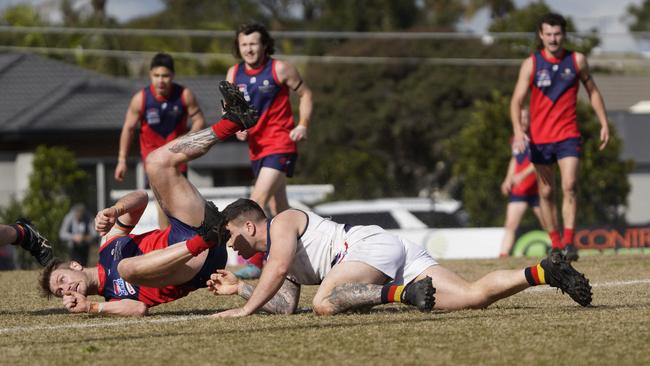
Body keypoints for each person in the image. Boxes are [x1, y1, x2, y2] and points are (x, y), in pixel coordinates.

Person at [39, 81, 257, 316]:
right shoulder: (113, 297)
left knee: (155, 161)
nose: (66, 288)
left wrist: (116, 210)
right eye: (61, 291)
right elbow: (139, 308)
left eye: (62, 280)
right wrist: (91, 307)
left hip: (188, 231)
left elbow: (141, 198)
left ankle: (233, 121)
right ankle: (206, 239)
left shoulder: (107, 245)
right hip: (195, 264)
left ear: (74, 266)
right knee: (125, 268)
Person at [206, 199, 592, 318]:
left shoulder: (283, 223)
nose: (230, 245)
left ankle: (402, 294)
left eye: (231, 235)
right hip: (389, 252)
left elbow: (276, 269)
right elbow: (286, 305)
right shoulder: (278, 256)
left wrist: (243, 313)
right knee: (474, 297)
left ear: (250, 226)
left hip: (366, 249)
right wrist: (242, 289)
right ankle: (544, 271)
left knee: (324, 303)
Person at [510, 13, 610, 262]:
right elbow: (516, 100)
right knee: (545, 192)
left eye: (558, 34)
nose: (553, 39)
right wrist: (518, 130)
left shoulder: (577, 60)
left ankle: (569, 242)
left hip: (568, 135)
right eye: (549, 34)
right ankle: (555, 244)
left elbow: (593, 92)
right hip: (540, 139)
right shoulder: (531, 64)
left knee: (570, 185)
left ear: (563, 35)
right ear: (541, 36)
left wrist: (604, 123)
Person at [227, 22, 313, 279]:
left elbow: (306, 95)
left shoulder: (280, 69)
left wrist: (302, 124)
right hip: (257, 148)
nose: (249, 49)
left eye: (253, 43)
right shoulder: (233, 73)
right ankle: (301, 255)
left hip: (281, 144)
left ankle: (255, 261)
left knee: (257, 201)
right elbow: (230, 109)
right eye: (244, 44)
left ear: (264, 45)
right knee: (282, 208)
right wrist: (236, 127)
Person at [114, 53, 206, 184]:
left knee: (180, 202)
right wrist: (122, 160)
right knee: (160, 200)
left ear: (173, 75)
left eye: (165, 76)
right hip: (153, 159)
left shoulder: (184, 95)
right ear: (150, 75)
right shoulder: (141, 99)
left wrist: (188, 139)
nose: (161, 80)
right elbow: (128, 129)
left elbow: (199, 120)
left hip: (177, 157)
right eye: (156, 76)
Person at [499, 109, 547, 257]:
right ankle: (503, 255)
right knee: (510, 224)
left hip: (537, 189)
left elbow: (540, 162)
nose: (523, 120)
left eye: (526, 117)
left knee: (548, 224)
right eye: (520, 118)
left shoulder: (537, 138)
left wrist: (522, 175)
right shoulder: (515, 139)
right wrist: (508, 179)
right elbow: (515, 160)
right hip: (519, 190)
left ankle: (561, 251)